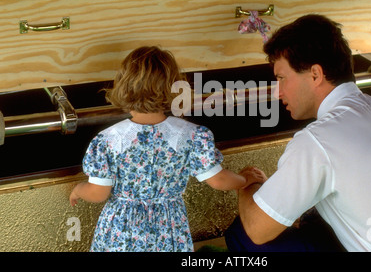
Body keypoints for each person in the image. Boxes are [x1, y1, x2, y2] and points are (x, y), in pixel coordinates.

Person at [225, 14, 371, 252]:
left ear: (315, 74)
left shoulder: (319, 139)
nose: (278, 92)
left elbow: (257, 230)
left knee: (243, 234)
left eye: (282, 78)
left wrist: (249, 184)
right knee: (317, 215)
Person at [69, 46, 264, 252]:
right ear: (174, 88)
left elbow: (98, 194)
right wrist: (245, 180)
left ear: (124, 88)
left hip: (120, 231)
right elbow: (218, 180)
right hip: (169, 228)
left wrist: (78, 190)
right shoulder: (192, 135)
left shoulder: (107, 140)